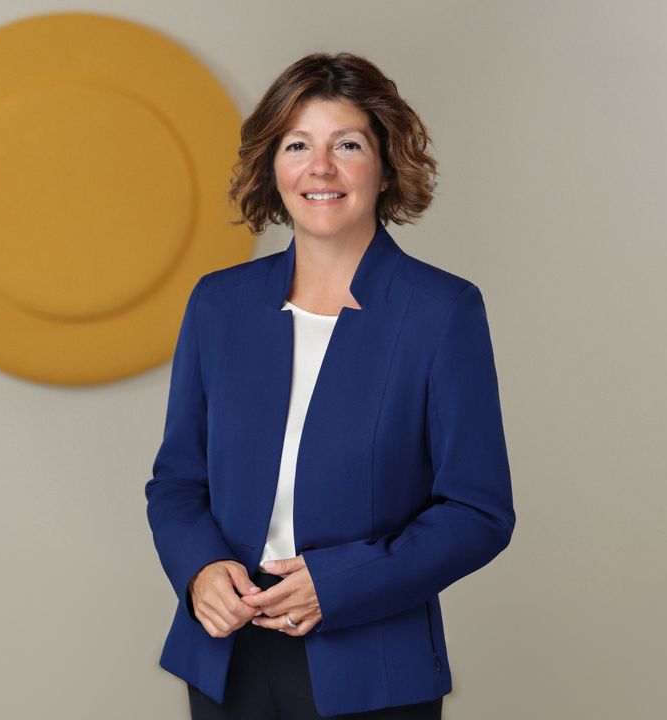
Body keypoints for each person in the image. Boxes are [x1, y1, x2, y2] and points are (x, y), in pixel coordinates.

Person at [145, 52, 515, 718]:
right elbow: (177, 480)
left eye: (347, 144)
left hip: (370, 664)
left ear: (385, 164)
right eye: (297, 145)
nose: (320, 168)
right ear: (272, 166)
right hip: (227, 655)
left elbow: (477, 511)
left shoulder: (440, 312)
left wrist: (341, 583)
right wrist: (199, 568)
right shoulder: (219, 304)